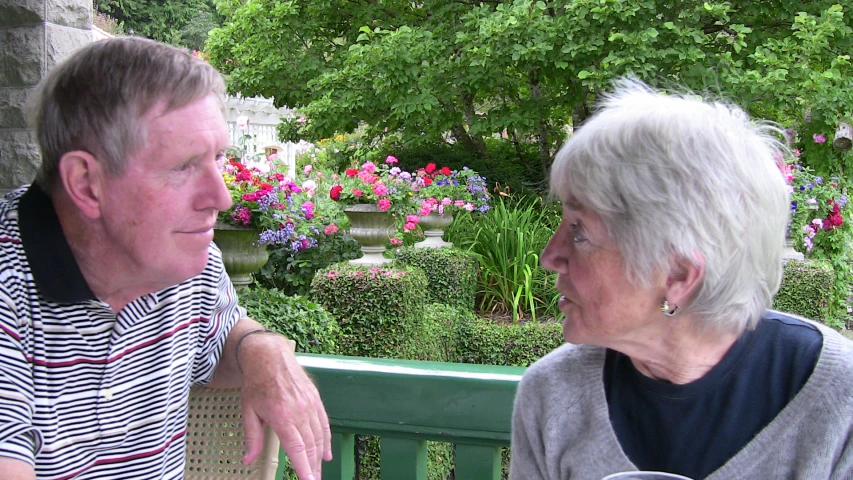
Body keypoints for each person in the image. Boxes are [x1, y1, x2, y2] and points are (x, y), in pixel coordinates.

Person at [0, 37, 331, 480]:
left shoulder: (184, 262)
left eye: (217, 158)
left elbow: (223, 337)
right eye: (183, 166)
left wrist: (263, 351)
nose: (223, 196)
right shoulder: (9, 283)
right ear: (86, 183)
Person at [509, 79, 853, 480]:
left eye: (579, 231)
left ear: (678, 276)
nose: (551, 257)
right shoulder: (553, 394)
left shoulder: (840, 403)